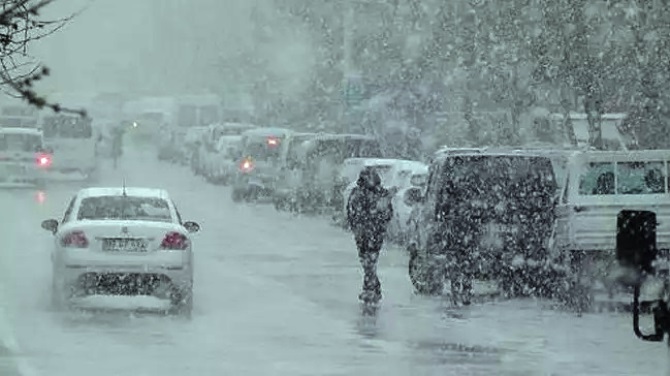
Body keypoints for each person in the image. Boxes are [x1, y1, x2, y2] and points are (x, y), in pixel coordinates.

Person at [347, 167, 393, 303]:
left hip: (371, 233)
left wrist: (372, 222)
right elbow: (351, 212)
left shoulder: (376, 193)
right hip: (368, 233)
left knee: (368, 262)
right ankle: (373, 288)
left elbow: (388, 213)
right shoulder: (361, 193)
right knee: (368, 262)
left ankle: (370, 288)